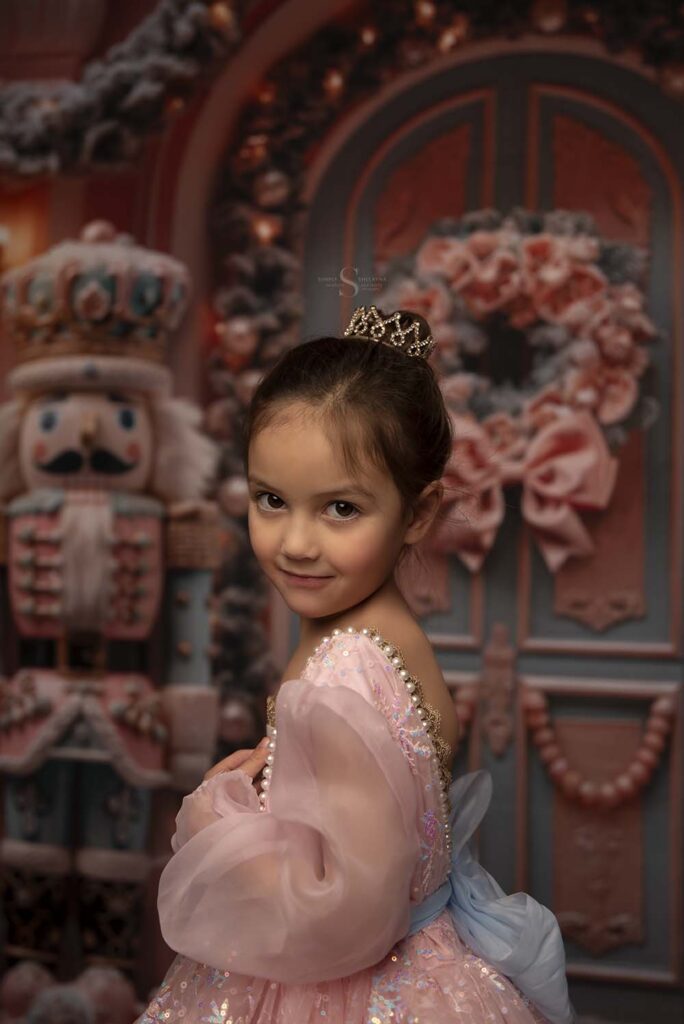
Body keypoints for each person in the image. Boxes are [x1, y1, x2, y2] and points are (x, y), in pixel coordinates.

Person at [136, 306, 575, 1024]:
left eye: (340, 509)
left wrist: (217, 815)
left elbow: (340, 917)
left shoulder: (345, 671)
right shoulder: (387, 635)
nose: (295, 542)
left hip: (347, 989)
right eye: (271, 500)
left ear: (419, 513)